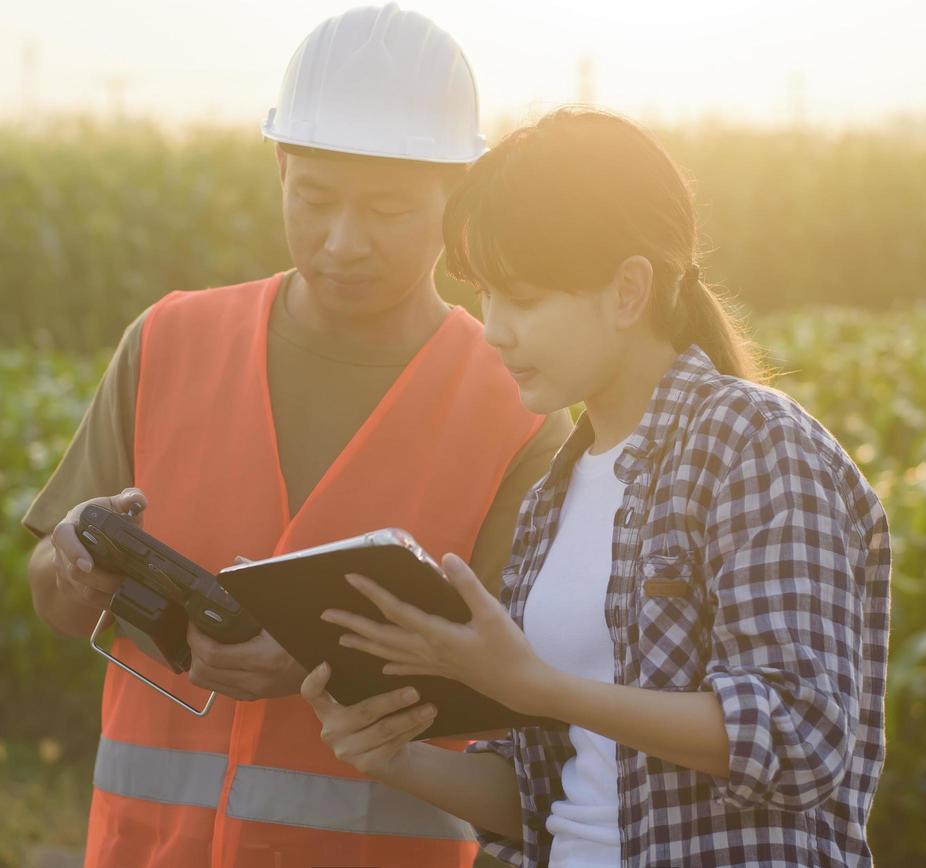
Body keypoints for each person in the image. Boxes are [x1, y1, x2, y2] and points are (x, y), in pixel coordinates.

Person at [22, 4, 571, 868]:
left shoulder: (522, 410)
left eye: (387, 210)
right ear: (280, 167)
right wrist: (74, 562)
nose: (344, 241)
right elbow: (54, 600)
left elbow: (528, 692)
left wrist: (321, 660)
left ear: (455, 196)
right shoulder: (167, 342)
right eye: (313, 198)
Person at [303, 108, 891, 867]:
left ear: (627, 290)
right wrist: (395, 759)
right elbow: (552, 789)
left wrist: (538, 686)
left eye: (522, 298)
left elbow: (799, 733)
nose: (493, 330)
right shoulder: (557, 491)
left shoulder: (754, 444)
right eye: (484, 296)